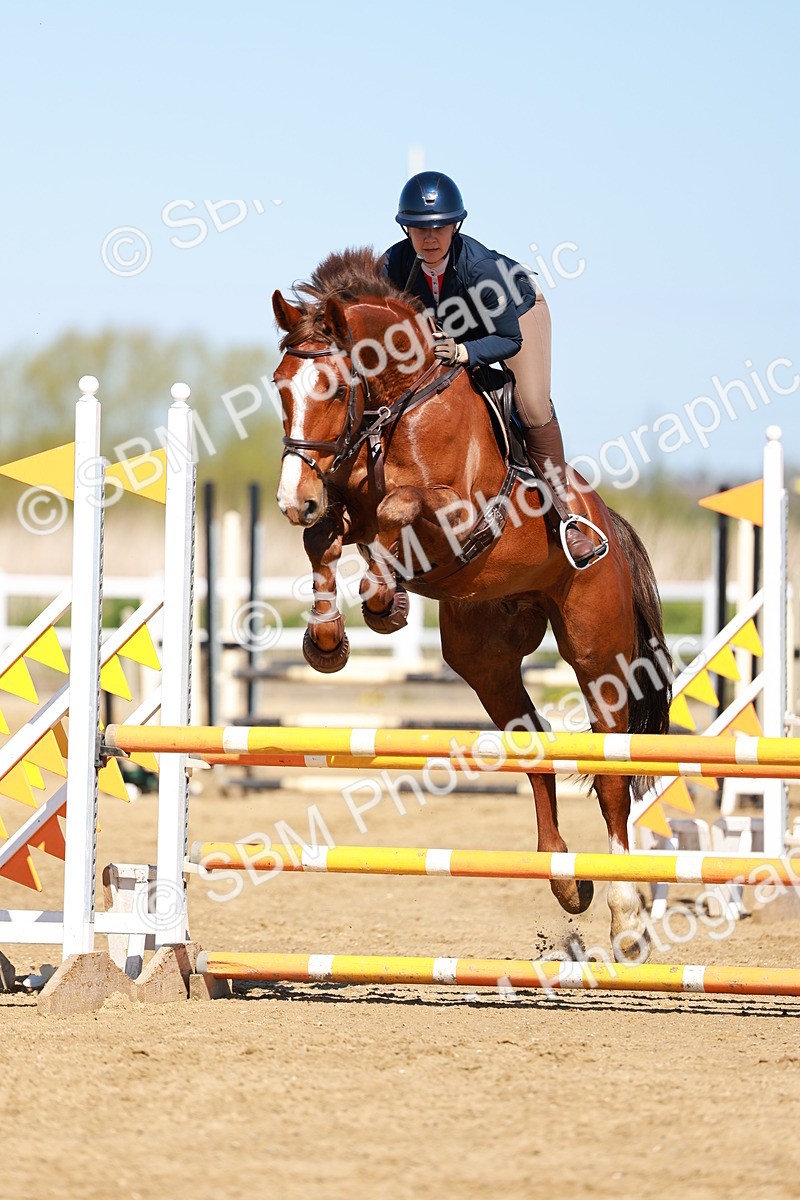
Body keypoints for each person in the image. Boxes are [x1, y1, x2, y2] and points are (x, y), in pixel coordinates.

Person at [383, 170, 606, 570]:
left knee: (532, 406)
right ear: (406, 230)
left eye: (438, 227)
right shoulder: (394, 265)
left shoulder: (482, 269)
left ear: (455, 226)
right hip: (455, 331)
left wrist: (464, 353)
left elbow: (508, 341)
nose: (429, 238)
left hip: (517, 315)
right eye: (419, 229)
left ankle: (567, 517)